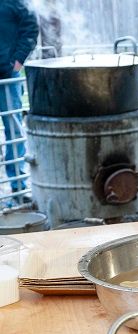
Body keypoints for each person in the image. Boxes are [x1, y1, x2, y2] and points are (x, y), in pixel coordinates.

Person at [0, 0, 38, 205]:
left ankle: (18, 187)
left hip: (6, 76)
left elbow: (31, 26)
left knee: (14, 130)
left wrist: (18, 60)